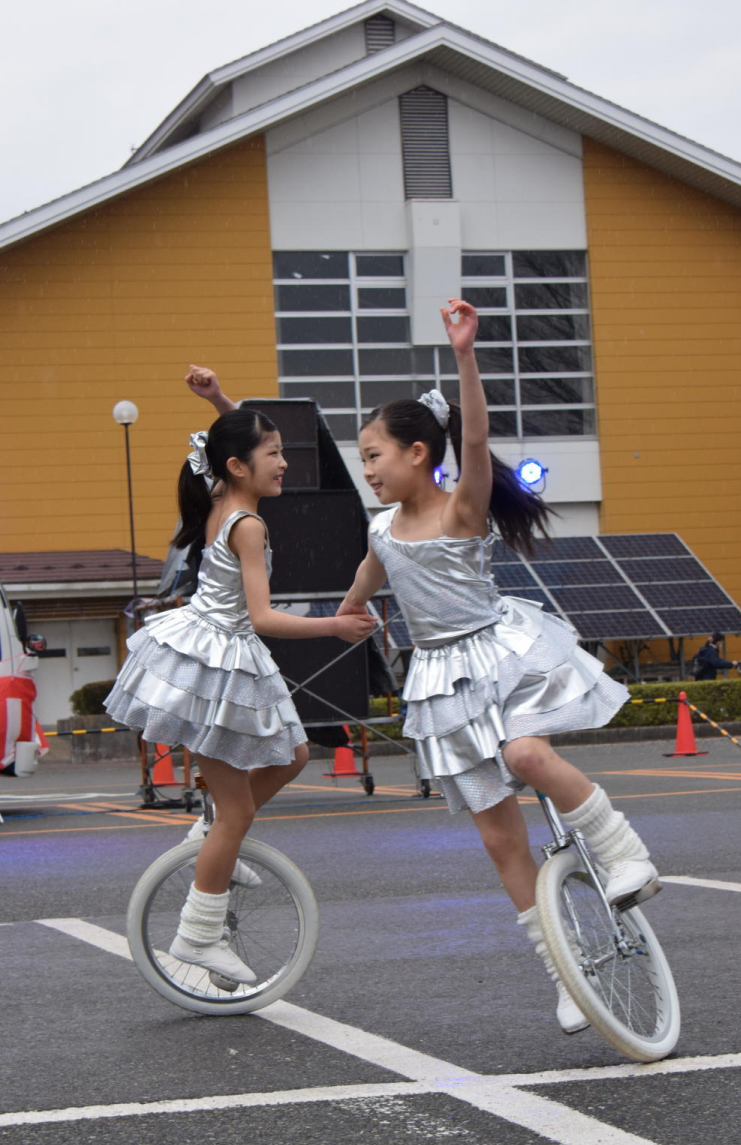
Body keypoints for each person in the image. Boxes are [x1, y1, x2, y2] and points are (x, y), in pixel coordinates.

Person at [338, 299, 659, 1035]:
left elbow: (474, 438)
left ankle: (623, 854)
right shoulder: (382, 524)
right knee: (496, 837)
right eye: (362, 459)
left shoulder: (460, 509)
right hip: (438, 680)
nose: (368, 470)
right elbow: (372, 569)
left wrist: (465, 357)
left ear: (417, 452)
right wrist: (345, 612)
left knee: (526, 752)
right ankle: (564, 968)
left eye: (374, 455)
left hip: (499, 657)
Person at [105, 377, 375, 984]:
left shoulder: (220, 495)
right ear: (238, 465)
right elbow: (262, 617)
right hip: (217, 658)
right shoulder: (247, 524)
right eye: (274, 454)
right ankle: (198, 934)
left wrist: (221, 403)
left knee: (297, 753)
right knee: (238, 813)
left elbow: (231, 446)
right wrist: (335, 623)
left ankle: (211, 836)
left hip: (203, 652)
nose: (283, 462)